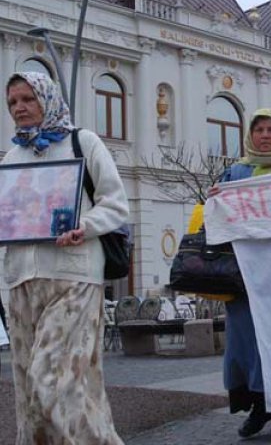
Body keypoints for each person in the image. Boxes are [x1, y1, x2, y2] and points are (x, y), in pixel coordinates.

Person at [3, 72, 128, 444]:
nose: (19, 108)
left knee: (51, 378)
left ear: (47, 98)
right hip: (21, 280)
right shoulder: (12, 155)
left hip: (74, 277)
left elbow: (116, 203)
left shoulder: (82, 143)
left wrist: (85, 226)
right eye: (12, 102)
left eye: (27, 98)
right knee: (31, 391)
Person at [210, 108, 271, 442]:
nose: (265, 135)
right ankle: (259, 405)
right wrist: (213, 200)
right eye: (259, 129)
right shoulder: (235, 172)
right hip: (244, 278)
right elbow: (217, 219)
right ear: (251, 135)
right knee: (248, 345)